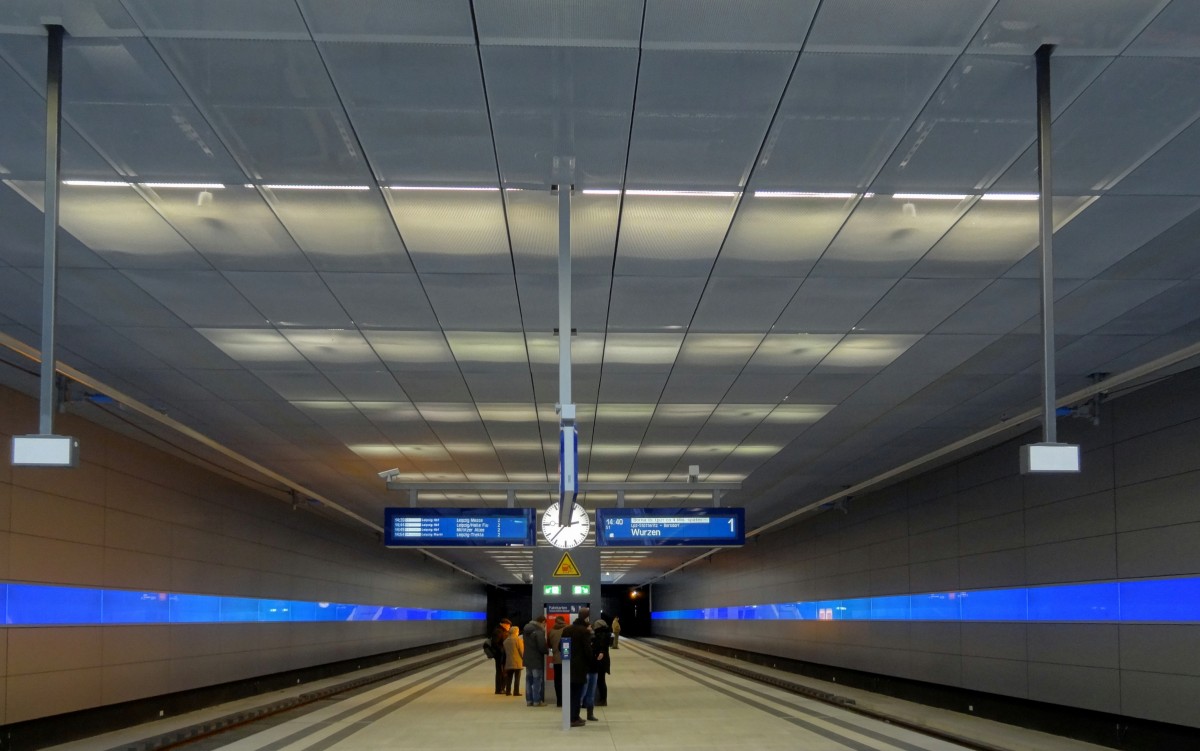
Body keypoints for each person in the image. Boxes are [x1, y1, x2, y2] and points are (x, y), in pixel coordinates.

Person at [561, 608, 593, 727]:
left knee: (570, 693)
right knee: (577, 693)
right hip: (580, 667)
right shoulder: (584, 631)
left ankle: (572, 716)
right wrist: (591, 663)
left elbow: (561, 647)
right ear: (586, 618)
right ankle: (574, 718)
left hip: (567, 666)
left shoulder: (567, 630)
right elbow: (587, 651)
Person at [522, 614, 548, 706]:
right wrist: (547, 651)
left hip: (527, 658)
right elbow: (542, 646)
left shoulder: (526, 630)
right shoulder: (538, 631)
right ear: (543, 622)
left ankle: (529, 700)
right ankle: (537, 701)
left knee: (529, 680)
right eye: (545, 624)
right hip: (536, 659)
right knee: (537, 680)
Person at [592, 613, 612, 707]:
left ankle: (603, 700)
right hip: (604, 660)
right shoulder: (606, 634)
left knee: (601, 681)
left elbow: (599, 647)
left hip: (601, 661)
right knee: (601, 680)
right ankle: (603, 699)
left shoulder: (600, 635)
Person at [547, 615, 567, 707]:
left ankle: (559, 701)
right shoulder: (568, 629)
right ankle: (566, 700)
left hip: (556, 660)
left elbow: (549, 645)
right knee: (567, 680)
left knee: (558, 681)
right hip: (567, 660)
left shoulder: (551, 631)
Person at [502, 624, 524, 696]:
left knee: (509, 677)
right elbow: (521, 651)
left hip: (508, 661)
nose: (518, 633)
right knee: (517, 678)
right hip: (517, 661)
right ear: (516, 632)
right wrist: (523, 658)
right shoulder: (518, 640)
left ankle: (508, 691)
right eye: (517, 631)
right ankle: (516, 691)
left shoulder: (506, 641)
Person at [491, 618, 511, 695]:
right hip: (500, 656)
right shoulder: (498, 631)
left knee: (504, 672)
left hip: (503, 655)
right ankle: (499, 689)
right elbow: (495, 644)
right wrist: (503, 650)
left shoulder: (503, 631)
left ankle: (502, 688)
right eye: (508, 625)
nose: (509, 627)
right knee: (500, 672)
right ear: (503, 624)